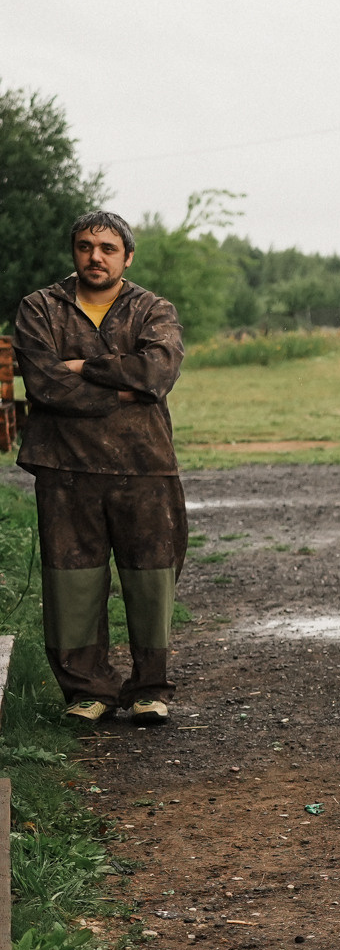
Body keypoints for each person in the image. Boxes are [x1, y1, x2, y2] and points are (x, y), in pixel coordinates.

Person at [13, 211, 187, 726]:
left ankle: (149, 689)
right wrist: (127, 389)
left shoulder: (152, 308)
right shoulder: (41, 308)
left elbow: (158, 370)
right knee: (73, 583)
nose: (96, 256)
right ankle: (88, 689)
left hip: (144, 466)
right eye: (86, 246)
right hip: (65, 467)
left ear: (127, 257)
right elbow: (44, 385)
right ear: (74, 252)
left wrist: (84, 368)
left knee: (152, 582)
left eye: (108, 248)